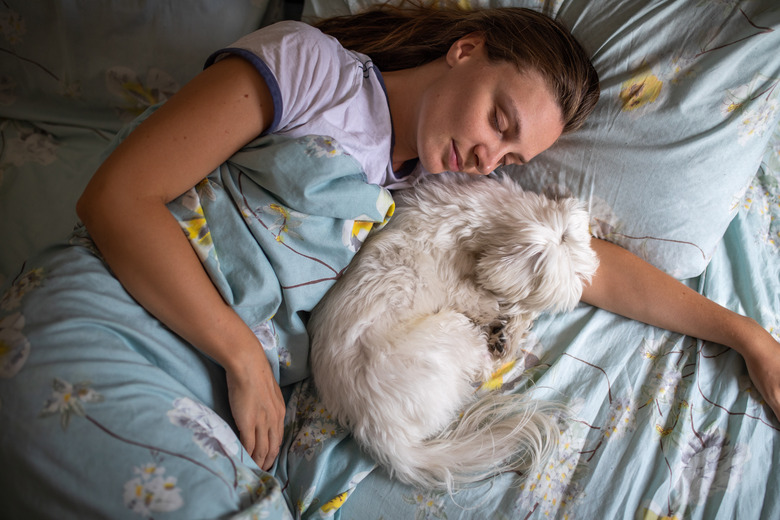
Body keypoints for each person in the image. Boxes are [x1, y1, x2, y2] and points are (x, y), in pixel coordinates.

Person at [75, 2, 780, 473]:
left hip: (214, 398)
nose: (489, 159)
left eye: (512, 159)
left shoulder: (432, 189)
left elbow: (600, 272)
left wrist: (748, 337)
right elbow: (117, 198)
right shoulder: (310, 69)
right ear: (465, 50)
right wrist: (241, 355)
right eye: (499, 123)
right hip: (115, 320)